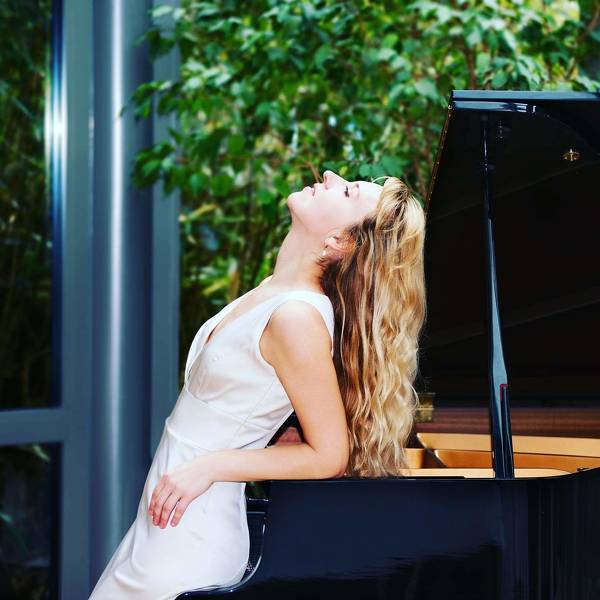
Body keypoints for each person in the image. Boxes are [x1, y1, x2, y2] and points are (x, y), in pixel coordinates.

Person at [88, 169, 427, 599]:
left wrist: (211, 465)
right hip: (164, 524)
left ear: (340, 242)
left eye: (347, 191)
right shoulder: (275, 291)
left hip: (190, 537)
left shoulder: (296, 318)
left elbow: (330, 455)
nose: (329, 175)